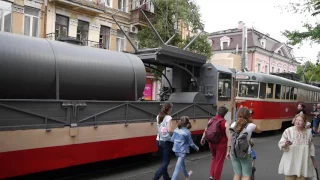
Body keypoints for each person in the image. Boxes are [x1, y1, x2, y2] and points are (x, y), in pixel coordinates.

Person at [278, 112, 317, 180]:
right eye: (296, 120)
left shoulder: (308, 133)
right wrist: (285, 144)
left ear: (304, 122)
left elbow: (311, 149)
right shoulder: (288, 131)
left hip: (303, 163)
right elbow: (281, 144)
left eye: (300, 120)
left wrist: (313, 162)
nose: (297, 122)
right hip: (290, 162)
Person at [228, 107, 262, 180]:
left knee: (237, 174)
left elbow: (230, 139)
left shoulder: (233, 124)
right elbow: (260, 131)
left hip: (234, 152)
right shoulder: (251, 125)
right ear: (248, 115)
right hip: (246, 152)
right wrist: (251, 121)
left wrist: (228, 151)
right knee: (246, 175)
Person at [200, 106, 230, 180]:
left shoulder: (211, 120)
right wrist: (228, 150)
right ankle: (216, 178)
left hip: (211, 143)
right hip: (221, 145)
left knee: (214, 158)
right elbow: (229, 138)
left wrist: (203, 138)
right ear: (225, 114)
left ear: (217, 112)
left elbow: (206, 130)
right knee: (219, 162)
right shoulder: (225, 123)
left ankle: (211, 175)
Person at [153, 102, 174, 180]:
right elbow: (169, 130)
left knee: (163, 161)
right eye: (171, 108)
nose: (172, 109)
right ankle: (155, 177)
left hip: (158, 140)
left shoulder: (158, 116)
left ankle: (166, 177)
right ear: (169, 109)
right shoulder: (168, 117)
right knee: (166, 162)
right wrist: (176, 132)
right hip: (166, 142)